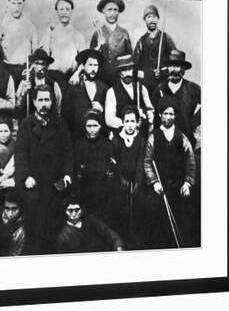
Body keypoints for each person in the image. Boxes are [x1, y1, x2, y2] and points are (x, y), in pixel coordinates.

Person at [15, 84, 74, 254]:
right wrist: (25, 177)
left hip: (55, 182)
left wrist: (68, 174)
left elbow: (68, 152)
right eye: (40, 100)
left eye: (47, 100)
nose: (44, 104)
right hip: (33, 183)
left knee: (54, 224)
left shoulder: (60, 124)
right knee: (34, 222)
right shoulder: (26, 125)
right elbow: (20, 154)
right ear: (34, 102)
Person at [144, 100, 197, 248]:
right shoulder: (154, 136)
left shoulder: (182, 137)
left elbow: (190, 161)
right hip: (160, 189)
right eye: (165, 113)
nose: (168, 116)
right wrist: (154, 182)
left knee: (181, 223)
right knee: (160, 227)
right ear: (160, 115)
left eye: (171, 114)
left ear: (175, 116)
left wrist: (187, 183)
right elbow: (148, 161)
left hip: (179, 189)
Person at [73, 109, 117, 224]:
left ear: (100, 126)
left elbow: (110, 168)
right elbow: (77, 168)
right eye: (89, 126)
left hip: (103, 193)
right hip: (85, 192)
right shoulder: (78, 145)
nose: (92, 129)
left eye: (95, 126)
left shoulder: (107, 144)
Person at [110, 105, 146, 246]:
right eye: (127, 121)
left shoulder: (141, 139)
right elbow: (114, 162)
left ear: (137, 123)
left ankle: (134, 238)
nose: (130, 125)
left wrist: (137, 181)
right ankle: (121, 238)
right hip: (121, 182)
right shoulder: (117, 139)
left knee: (136, 210)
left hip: (135, 182)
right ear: (123, 122)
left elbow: (140, 162)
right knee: (121, 210)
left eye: (132, 121)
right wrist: (121, 179)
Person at [151, 49, 201, 147]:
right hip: (163, 143)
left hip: (186, 143)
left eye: (177, 66)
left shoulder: (193, 89)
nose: (173, 70)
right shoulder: (160, 89)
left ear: (183, 69)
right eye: (171, 66)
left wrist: (194, 123)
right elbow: (152, 114)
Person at [39, 0, 87, 91]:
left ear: (71, 11)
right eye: (61, 9)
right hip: (52, 79)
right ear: (57, 12)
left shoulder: (78, 35)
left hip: (70, 79)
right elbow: (43, 58)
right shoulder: (50, 33)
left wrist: (76, 75)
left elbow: (84, 61)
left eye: (67, 9)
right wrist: (48, 35)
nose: (64, 12)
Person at [62, 49, 109, 140]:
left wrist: (102, 110)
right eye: (90, 65)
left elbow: (109, 114)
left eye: (96, 65)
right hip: (77, 136)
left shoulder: (103, 88)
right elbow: (66, 115)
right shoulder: (74, 87)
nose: (93, 69)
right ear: (83, 66)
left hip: (98, 138)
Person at [0, 0, 38, 87]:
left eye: (19, 3)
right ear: (8, 4)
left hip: (24, 69)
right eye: (13, 3)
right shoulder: (1, 24)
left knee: (24, 97)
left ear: (23, 4)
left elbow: (35, 51)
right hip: (6, 68)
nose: (16, 7)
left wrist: (30, 68)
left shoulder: (30, 26)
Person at [104, 54, 154, 135]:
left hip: (140, 136)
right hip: (122, 136)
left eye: (129, 69)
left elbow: (150, 110)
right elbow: (109, 119)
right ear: (119, 72)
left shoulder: (141, 88)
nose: (127, 73)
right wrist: (129, 124)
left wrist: (145, 116)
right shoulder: (112, 92)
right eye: (124, 70)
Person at [57, 193, 124, 253]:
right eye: (70, 211)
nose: (74, 214)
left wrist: (118, 246)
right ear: (65, 211)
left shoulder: (91, 221)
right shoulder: (64, 236)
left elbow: (107, 232)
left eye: (77, 210)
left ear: (82, 210)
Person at [133, 5, 177, 92]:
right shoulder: (141, 42)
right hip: (146, 86)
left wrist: (164, 71)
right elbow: (135, 66)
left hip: (164, 84)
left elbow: (175, 60)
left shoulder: (165, 38)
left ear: (157, 19)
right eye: (149, 17)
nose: (152, 20)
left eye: (154, 17)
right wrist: (146, 75)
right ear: (145, 20)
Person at [90, 0, 133, 85]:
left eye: (115, 10)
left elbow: (130, 59)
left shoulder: (124, 33)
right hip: (100, 80)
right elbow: (90, 59)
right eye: (109, 10)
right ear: (103, 11)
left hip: (119, 80)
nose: (113, 13)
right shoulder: (97, 34)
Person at [15, 48, 63, 118]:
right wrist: (23, 93)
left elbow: (58, 109)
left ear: (47, 66)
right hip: (29, 124)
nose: (40, 67)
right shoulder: (24, 83)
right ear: (32, 65)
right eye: (37, 63)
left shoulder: (54, 85)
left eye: (43, 64)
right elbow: (17, 107)